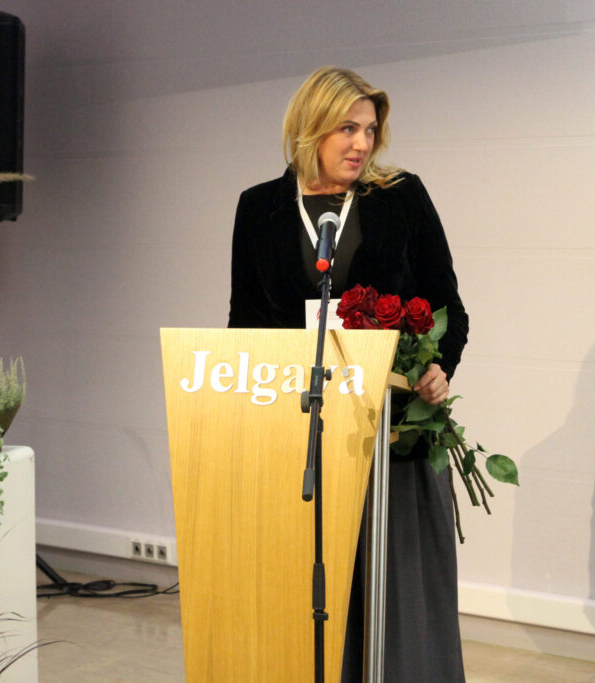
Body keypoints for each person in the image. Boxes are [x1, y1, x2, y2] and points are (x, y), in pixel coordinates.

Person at [228, 66, 469, 682]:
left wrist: (438, 366)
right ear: (310, 127)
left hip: (392, 436)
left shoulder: (401, 196)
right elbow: (244, 323)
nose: (362, 143)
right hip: (297, 438)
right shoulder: (259, 208)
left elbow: (448, 306)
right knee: (312, 596)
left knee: (397, 600)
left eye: (369, 130)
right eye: (347, 128)